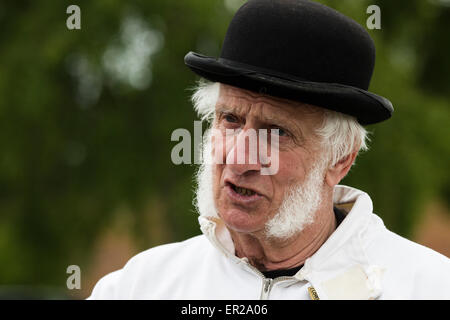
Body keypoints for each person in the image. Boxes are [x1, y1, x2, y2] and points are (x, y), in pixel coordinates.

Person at [88, 0, 450, 299]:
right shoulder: (142, 287)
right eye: (229, 119)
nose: (239, 157)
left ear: (340, 158)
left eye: (276, 132)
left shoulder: (426, 287)